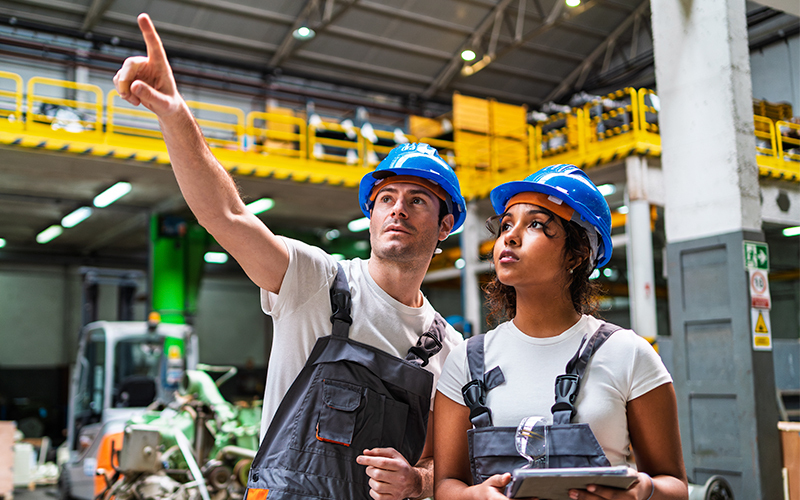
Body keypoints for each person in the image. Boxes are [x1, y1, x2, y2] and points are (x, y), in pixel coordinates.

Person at [113, 13, 465, 500]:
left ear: (445, 225)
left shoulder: (445, 347)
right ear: (370, 213)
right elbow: (226, 215)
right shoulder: (315, 281)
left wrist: (415, 481)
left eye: (418, 200)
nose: (398, 209)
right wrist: (176, 115)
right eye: (387, 198)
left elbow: (440, 465)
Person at [433, 165, 688, 500]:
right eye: (506, 224)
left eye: (536, 224)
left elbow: (675, 485)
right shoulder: (466, 361)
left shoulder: (628, 354)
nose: (509, 236)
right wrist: (475, 497)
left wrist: (644, 490)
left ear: (576, 254)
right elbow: (446, 486)